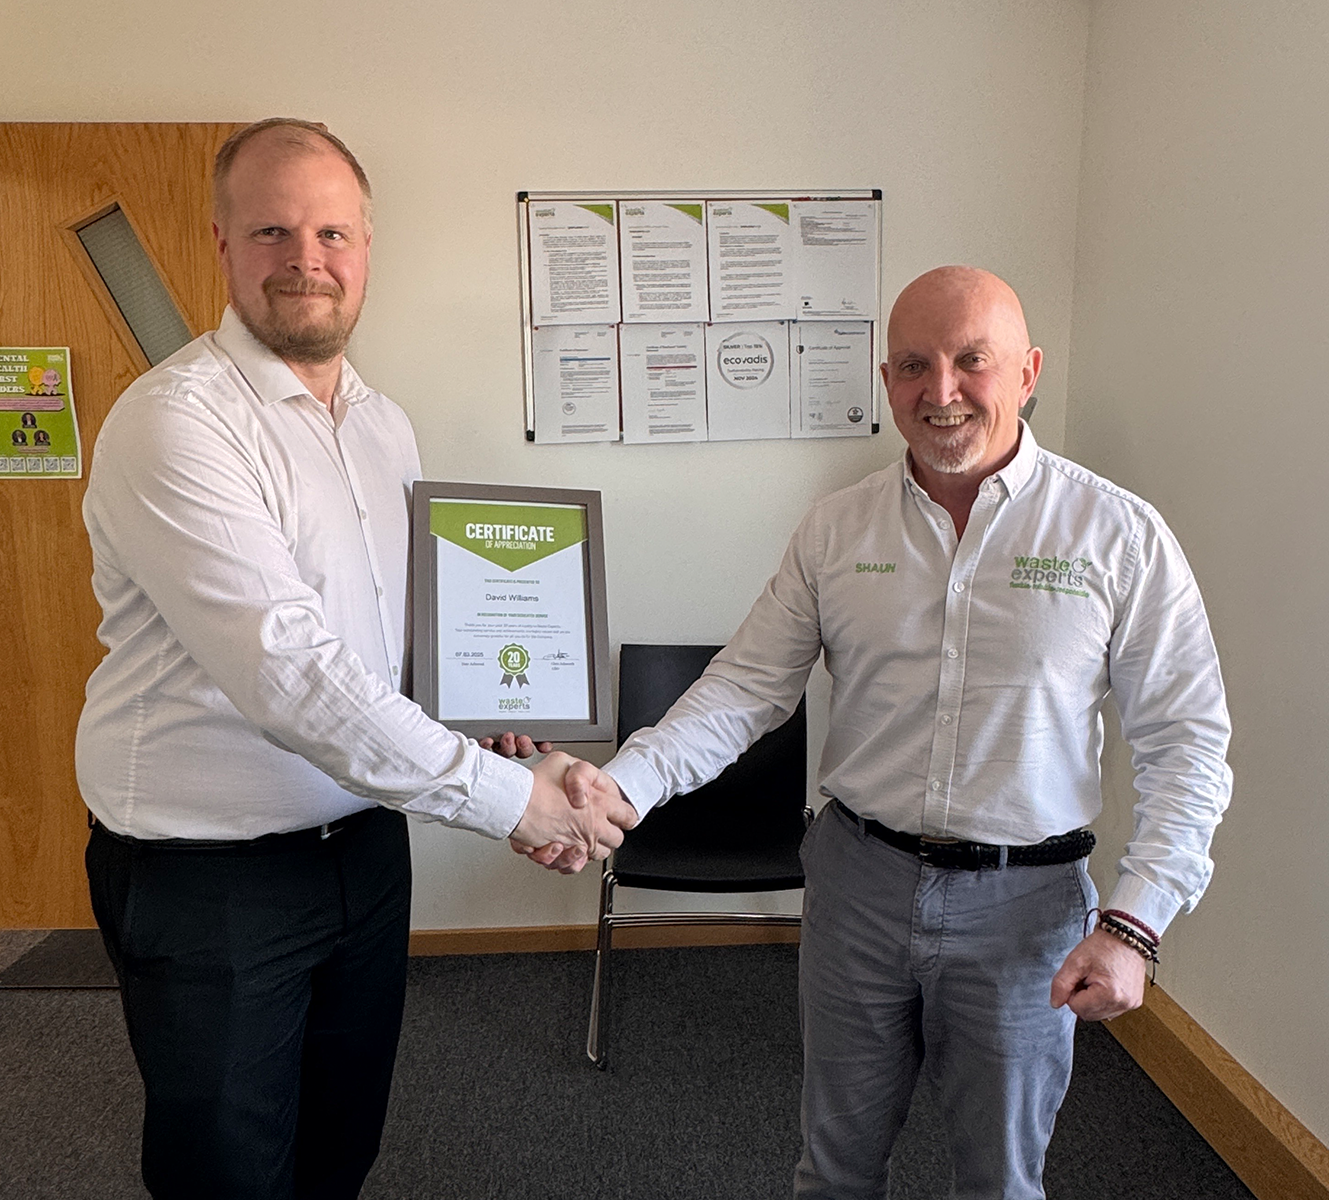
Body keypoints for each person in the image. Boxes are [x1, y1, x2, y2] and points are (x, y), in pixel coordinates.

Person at [524, 266, 1233, 1199]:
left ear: (1027, 372)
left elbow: (1186, 741)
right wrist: (623, 788)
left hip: (1024, 907)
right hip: (858, 886)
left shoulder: (1118, 535)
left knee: (998, 1180)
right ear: (885, 377)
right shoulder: (836, 528)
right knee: (834, 1166)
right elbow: (743, 688)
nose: (939, 392)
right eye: (912, 366)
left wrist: (1134, 925)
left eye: (970, 361)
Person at [77, 118, 636, 1200]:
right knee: (227, 1174)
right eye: (273, 230)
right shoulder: (176, 423)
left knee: (340, 1146)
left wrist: (490, 720)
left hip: (364, 851)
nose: (306, 259)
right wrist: (507, 800)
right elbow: (288, 669)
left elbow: (378, 647)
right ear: (222, 244)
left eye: (333, 231)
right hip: (211, 876)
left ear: (368, 246)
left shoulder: (385, 427)